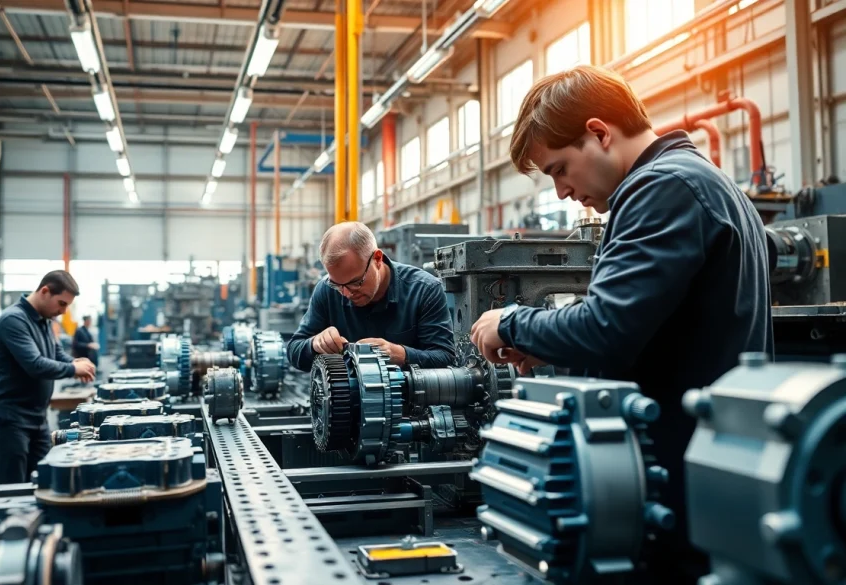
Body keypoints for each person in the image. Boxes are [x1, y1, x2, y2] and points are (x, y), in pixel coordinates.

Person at [467, 65, 772, 584]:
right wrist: (553, 343)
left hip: (675, 478)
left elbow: (606, 328)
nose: (562, 191)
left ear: (599, 133)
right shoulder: (706, 181)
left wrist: (512, 323)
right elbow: (652, 327)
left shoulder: (662, 188)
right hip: (713, 469)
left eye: (560, 169)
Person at [286, 221, 455, 372]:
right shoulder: (326, 290)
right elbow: (294, 350)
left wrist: (401, 355)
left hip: (408, 404)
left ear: (377, 259)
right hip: (346, 403)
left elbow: (445, 357)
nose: (346, 293)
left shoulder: (424, 290)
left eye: (355, 282)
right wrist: (315, 344)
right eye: (338, 285)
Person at [0, 270, 96, 484]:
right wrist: (73, 370)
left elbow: (55, 353)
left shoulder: (44, 320)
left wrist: (74, 362)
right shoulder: (14, 320)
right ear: (45, 291)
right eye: (62, 304)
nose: (63, 312)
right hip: (11, 421)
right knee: (11, 490)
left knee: (45, 483)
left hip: (37, 419)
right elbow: (34, 365)